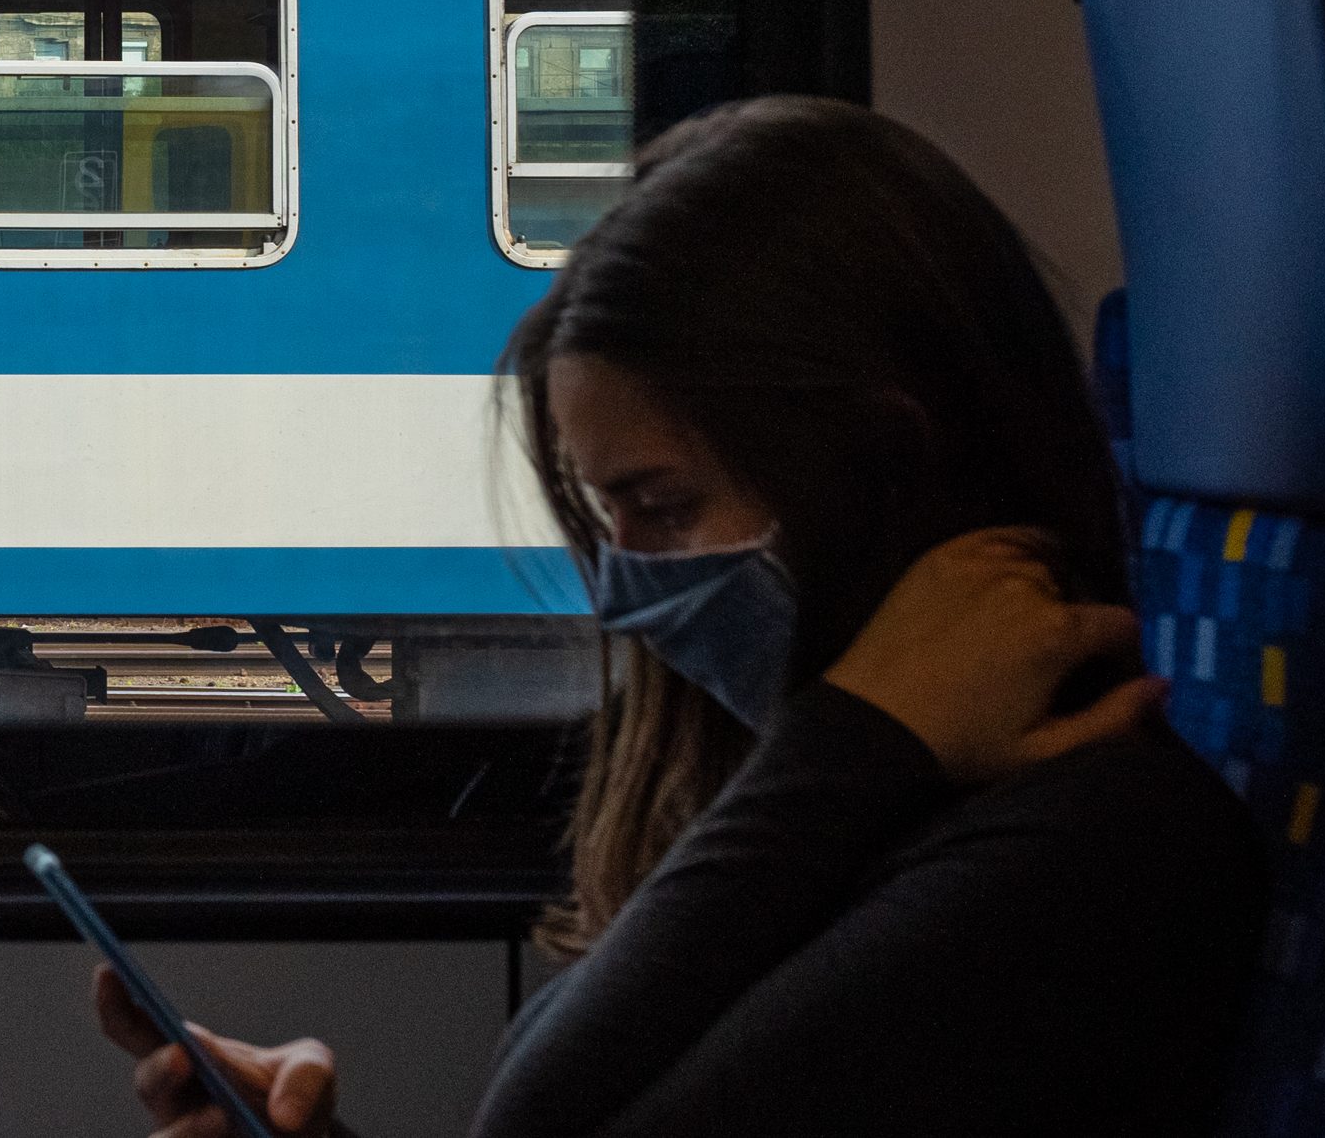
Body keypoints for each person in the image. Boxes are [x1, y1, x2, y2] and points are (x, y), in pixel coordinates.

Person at [98, 95, 1261, 1138]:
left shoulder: (1085, 848)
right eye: (606, 517)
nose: (623, 585)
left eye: (661, 506)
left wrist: (859, 732)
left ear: (881, 468)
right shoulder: (867, 810)